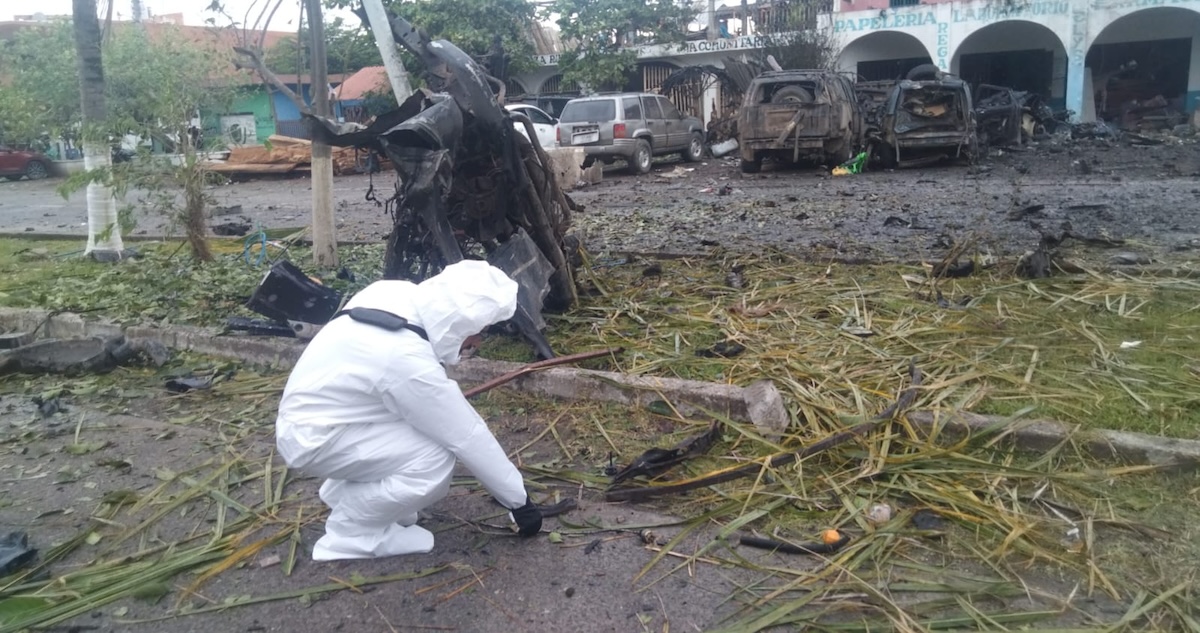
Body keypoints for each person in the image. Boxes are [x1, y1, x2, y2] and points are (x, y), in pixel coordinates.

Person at [275, 260, 543, 561]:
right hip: (315, 438)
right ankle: (352, 532)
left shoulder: (395, 294)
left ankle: (349, 498)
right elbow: (465, 434)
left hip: (322, 419)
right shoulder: (404, 359)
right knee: (433, 460)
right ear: (458, 322)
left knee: (419, 435)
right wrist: (520, 503)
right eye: (480, 330)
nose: (479, 341)